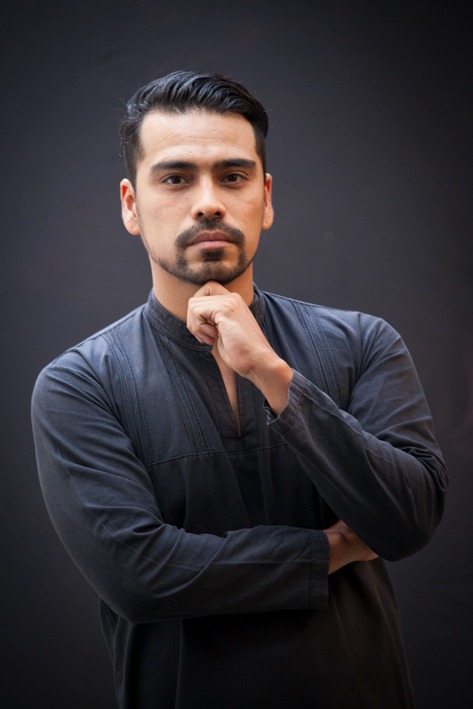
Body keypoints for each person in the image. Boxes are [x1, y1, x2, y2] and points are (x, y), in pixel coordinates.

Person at [31, 71, 448, 708]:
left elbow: (409, 521)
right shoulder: (81, 384)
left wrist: (272, 374)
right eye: (176, 178)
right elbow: (139, 576)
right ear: (131, 206)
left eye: (232, 176)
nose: (209, 203)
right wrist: (331, 548)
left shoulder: (363, 344)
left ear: (266, 198)